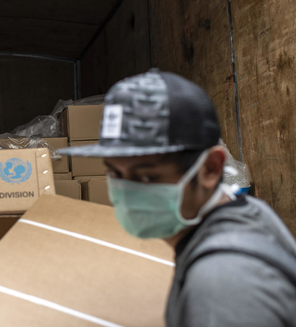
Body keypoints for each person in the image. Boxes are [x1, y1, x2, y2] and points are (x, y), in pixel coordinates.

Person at [61, 69, 296, 326]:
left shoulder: (222, 285)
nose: (127, 193)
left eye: (147, 177)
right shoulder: (249, 212)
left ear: (211, 168)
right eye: (115, 173)